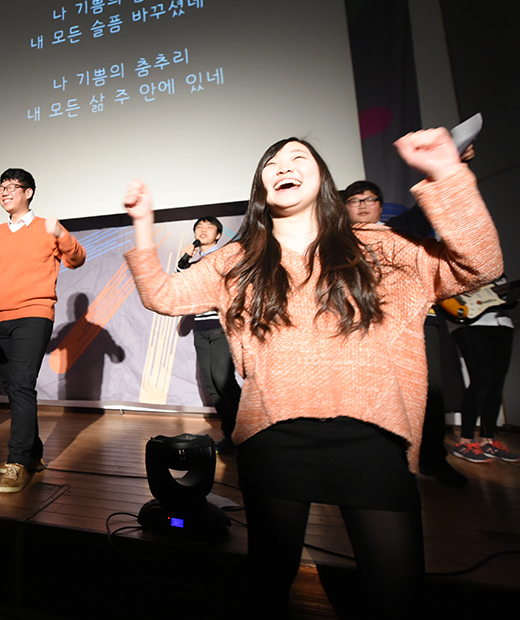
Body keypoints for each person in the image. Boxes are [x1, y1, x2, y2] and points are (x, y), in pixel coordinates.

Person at [123, 129, 501, 616]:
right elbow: (161, 295)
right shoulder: (239, 260)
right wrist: (142, 224)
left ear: (322, 178)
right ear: (262, 189)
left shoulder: (381, 247)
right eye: (272, 163)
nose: (283, 166)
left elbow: (481, 265)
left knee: (395, 595)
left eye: (298, 158)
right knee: (266, 587)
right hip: (273, 436)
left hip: (374, 435)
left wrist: (447, 172)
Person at [0, 168, 86, 493]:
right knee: (15, 389)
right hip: (1, 319)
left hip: (34, 316)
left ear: (28, 192)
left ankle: (17, 461)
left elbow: (77, 258)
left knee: (21, 386)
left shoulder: (46, 228)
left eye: (11, 187)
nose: (5, 192)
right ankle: (33, 454)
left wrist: (61, 233)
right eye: (1, 188)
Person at [342, 180, 468, 487]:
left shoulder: (400, 230)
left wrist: (452, 168)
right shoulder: (337, 244)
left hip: (419, 321)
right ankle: (373, 458)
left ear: (381, 206)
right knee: (368, 393)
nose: (362, 205)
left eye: (369, 199)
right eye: (354, 200)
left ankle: (432, 459)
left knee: (430, 392)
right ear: (344, 208)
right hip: (368, 326)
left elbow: (429, 206)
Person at [176, 216, 241, 454]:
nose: (203, 230)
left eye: (209, 227)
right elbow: (180, 288)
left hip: (221, 327)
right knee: (212, 385)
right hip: (201, 330)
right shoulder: (193, 262)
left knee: (224, 381)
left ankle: (246, 433)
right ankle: (230, 435)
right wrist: (184, 261)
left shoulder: (223, 257)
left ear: (218, 235)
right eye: (199, 227)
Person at [449, 275, 517, 463]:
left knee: (497, 384)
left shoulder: (499, 272)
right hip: (471, 322)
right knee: (481, 381)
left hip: (503, 323)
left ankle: (488, 440)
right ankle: (465, 441)